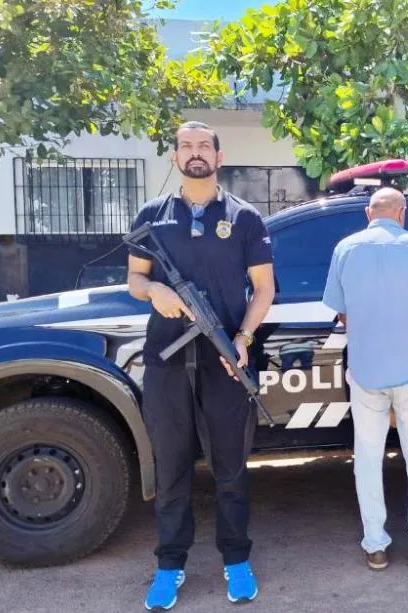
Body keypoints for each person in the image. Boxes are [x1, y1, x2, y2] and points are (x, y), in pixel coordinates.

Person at [126, 120, 275, 609]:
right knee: (171, 469)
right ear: (174, 157)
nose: (195, 154)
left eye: (203, 146)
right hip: (166, 361)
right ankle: (170, 565)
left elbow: (264, 290)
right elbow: (135, 281)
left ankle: (236, 559)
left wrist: (244, 338)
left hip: (225, 361)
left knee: (231, 468)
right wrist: (156, 290)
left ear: (218, 155)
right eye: (186, 146)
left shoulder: (245, 216)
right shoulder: (151, 214)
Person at [322, 187, 408, 571]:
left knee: (366, 456)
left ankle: (376, 546)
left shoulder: (345, 249)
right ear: (403, 212)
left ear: (368, 213)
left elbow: (343, 315)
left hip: (365, 371)